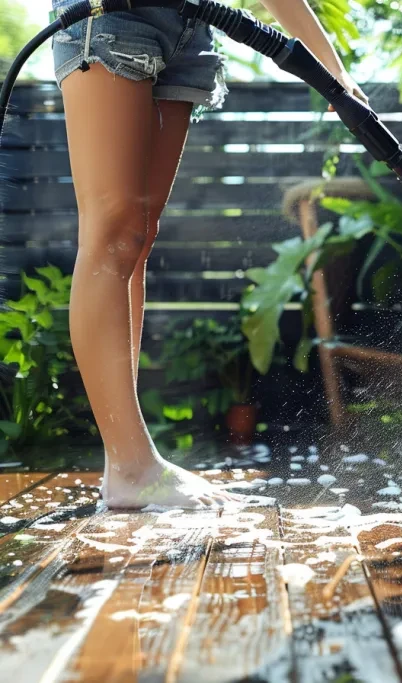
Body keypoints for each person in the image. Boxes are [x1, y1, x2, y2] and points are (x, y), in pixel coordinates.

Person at [51, 0, 366, 508]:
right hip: (112, 17)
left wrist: (335, 73)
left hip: (190, 27)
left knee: (137, 237)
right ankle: (132, 464)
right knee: (111, 236)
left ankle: (125, 465)